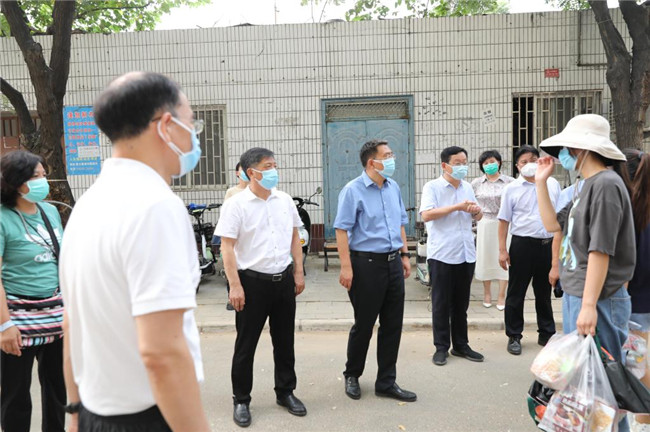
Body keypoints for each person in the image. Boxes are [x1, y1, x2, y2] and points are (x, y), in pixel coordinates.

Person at [59, 72, 210, 432]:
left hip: (95, 414)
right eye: (192, 123)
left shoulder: (88, 203)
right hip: (147, 418)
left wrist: (75, 411)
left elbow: (71, 321)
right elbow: (161, 354)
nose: (194, 135)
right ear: (166, 125)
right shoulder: (155, 206)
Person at [536, 114, 635, 432]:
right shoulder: (584, 185)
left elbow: (600, 250)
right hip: (580, 293)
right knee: (587, 391)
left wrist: (589, 305)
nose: (563, 154)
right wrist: (540, 183)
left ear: (581, 148)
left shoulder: (605, 184)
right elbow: (552, 225)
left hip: (598, 297)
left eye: (567, 148)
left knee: (604, 391)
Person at [214, 147, 307, 428]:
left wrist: (298, 271)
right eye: (267, 166)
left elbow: (294, 237)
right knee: (246, 345)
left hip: (283, 281)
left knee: (285, 341)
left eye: (274, 165)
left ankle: (285, 392)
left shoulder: (284, 200)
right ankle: (241, 399)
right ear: (251, 172)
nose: (273, 171)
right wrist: (234, 286)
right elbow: (227, 247)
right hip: (252, 283)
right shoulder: (236, 204)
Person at [334, 139, 416, 402]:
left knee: (392, 325)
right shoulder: (352, 190)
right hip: (366, 266)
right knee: (365, 324)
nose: (392, 159)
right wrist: (346, 267)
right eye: (387, 155)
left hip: (393, 263)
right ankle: (352, 374)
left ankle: (386, 382)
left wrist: (404, 255)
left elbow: (400, 223)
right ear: (372, 162)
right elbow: (341, 229)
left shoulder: (393, 187)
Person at [0, 150, 65, 432]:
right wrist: (4, 326)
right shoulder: (3, 218)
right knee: (15, 396)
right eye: (35, 176)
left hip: (55, 315)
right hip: (16, 318)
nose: (43, 181)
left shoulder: (50, 212)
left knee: (58, 391)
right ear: (15, 182)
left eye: (44, 175)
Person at [421, 146, 485, 367]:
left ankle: (461, 345)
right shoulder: (432, 187)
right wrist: (457, 207)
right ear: (445, 165)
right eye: (457, 163)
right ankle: (441, 347)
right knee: (441, 304)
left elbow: (478, 216)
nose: (462, 167)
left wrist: (476, 211)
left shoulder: (467, 187)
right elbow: (427, 214)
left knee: (461, 304)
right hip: (442, 253)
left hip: (465, 252)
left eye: (464, 163)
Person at [498, 145, 560, 356]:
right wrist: (502, 250)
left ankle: (547, 333)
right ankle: (514, 335)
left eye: (533, 160)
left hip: (547, 244)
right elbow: (504, 220)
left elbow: (559, 217)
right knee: (516, 292)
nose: (529, 164)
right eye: (524, 161)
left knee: (544, 292)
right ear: (517, 166)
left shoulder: (552, 184)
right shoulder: (511, 188)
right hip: (522, 245)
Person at [622, 148, 650, 431]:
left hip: (634, 302)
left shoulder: (630, 209)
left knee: (637, 364)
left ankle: (643, 420)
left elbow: (627, 266)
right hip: (643, 299)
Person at [471, 150, 514, 311]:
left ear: (499, 162)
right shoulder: (476, 183)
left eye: (492, 161)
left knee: (504, 257)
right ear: (482, 166)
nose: (489, 165)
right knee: (485, 257)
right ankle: (487, 293)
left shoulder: (510, 182)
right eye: (486, 163)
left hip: (505, 222)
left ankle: (502, 295)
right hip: (484, 222)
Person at [214, 162, 250, 311]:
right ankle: (232, 297)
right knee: (232, 267)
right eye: (242, 170)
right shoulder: (232, 192)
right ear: (237, 173)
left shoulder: (256, 191)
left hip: (249, 237)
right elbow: (226, 215)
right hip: (234, 236)